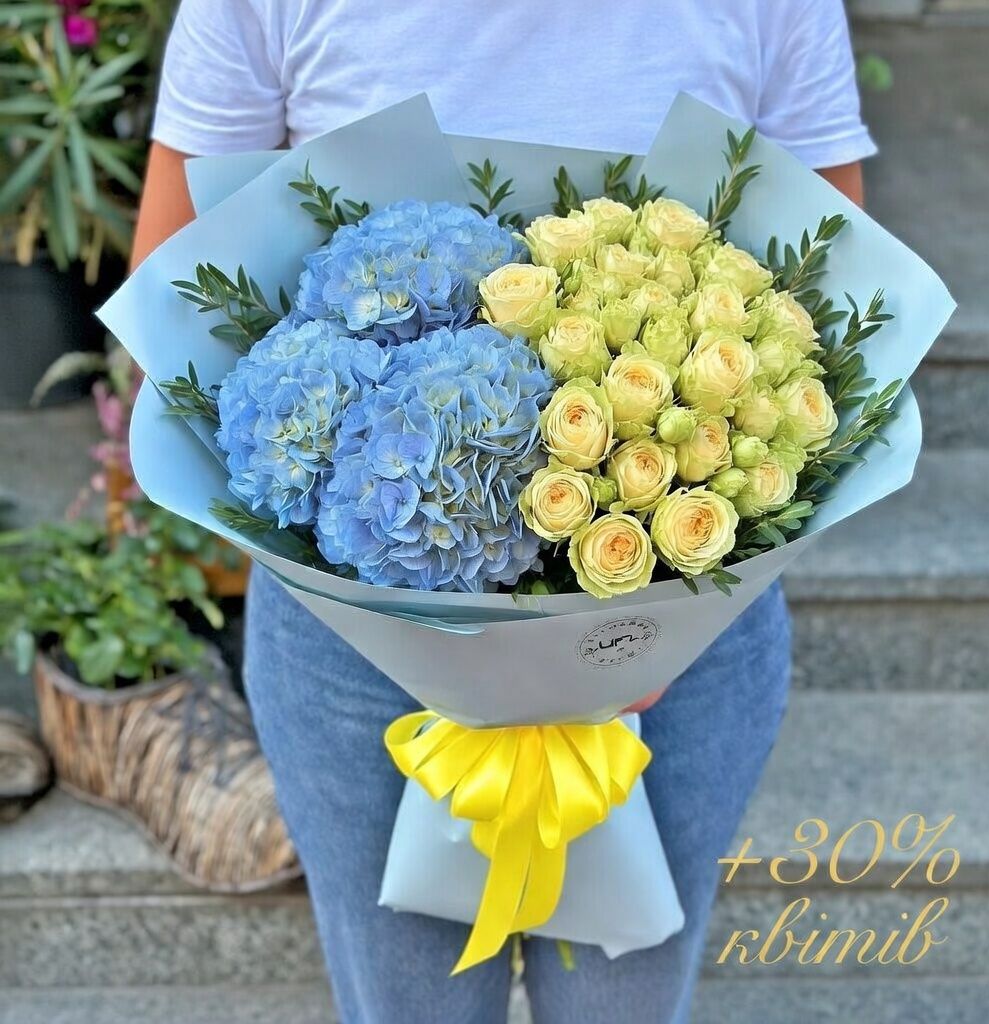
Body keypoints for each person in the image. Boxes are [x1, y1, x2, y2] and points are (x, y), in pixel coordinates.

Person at [133, 3, 874, 1021]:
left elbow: (826, 294)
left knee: (627, 1001)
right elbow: (172, 290)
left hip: (678, 650)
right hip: (358, 654)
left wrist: (648, 622)